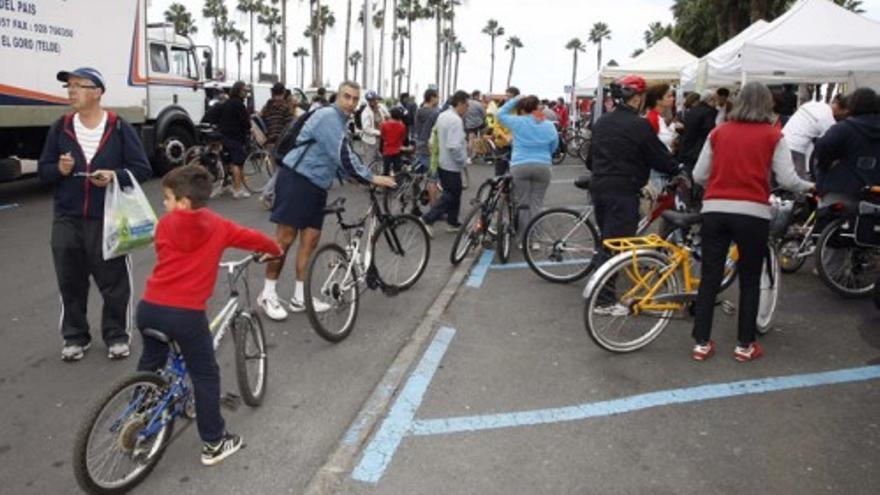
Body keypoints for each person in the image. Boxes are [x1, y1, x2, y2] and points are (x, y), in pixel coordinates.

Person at [137, 164, 282, 465]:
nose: (164, 205)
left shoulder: (163, 225)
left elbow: (166, 254)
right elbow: (254, 238)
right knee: (205, 374)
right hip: (185, 314)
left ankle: (140, 415)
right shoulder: (218, 225)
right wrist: (275, 249)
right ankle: (214, 443)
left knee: (151, 363)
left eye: (166, 199)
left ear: (183, 203)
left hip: (150, 307)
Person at [690, 82, 814, 363]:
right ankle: (744, 345)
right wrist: (809, 186)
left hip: (714, 210)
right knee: (749, 280)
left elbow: (698, 175)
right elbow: (787, 180)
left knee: (709, 276)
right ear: (767, 104)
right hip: (753, 214)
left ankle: (701, 343)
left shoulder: (718, 132)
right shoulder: (773, 136)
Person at [37, 67, 152, 362]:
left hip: (109, 218)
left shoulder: (119, 127)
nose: (71, 91)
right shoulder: (60, 127)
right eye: (69, 86)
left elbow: (142, 169)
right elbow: (44, 171)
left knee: (114, 282)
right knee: (70, 281)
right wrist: (59, 170)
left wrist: (114, 175)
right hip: (67, 217)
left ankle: (116, 336)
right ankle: (75, 336)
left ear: (98, 91)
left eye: (78, 85)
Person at [257, 81, 397, 321]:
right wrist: (370, 177)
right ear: (337, 97)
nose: (351, 103)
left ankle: (300, 296)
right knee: (285, 239)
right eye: (346, 97)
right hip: (297, 179)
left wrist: (351, 177)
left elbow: (332, 157)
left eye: (355, 99)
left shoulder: (341, 122)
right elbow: (343, 153)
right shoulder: (329, 117)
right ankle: (267, 293)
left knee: (309, 241)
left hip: (317, 185)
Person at [586, 75, 679, 287]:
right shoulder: (639, 125)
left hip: (599, 186)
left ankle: (599, 282)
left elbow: (591, 159)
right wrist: (678, 170)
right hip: (623, 189)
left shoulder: (602, 122)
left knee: (608, 240)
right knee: (617, 245)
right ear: (637, 99)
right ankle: (604, 298)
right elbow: (658, 157)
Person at [498, 94, 559, 244]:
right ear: (536, 107)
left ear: (522, 109)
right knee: (537, 203)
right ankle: (536, 239)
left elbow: (500, 114)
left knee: (523, 203)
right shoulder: (548, 124)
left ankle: (523, 239)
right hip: (543, 165)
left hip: (520, 165)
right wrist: (545, 155)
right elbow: (554, 145)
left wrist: (515, 99)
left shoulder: (518, 122)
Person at [813, 87, 880, 210]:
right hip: (875, 191)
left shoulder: (844, 128)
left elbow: (822, 148)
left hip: (842, 189)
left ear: (851, 105)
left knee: (827, 219)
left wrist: (824, 166)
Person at [421, 90, 470, 236]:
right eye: (466, 105)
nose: (467, 108)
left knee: (455, 192)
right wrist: (463, 161)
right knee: (450, 195)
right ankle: (427, 219)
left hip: (442, 161)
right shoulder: (455, 120)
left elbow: (433, 135)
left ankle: (453, 221)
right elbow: (454, 146)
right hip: (451, 164)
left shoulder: (443, 115)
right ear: (460, 103)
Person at [782, 95, 848, 179]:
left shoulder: (813, 104)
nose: (844, 116)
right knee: (799, 184)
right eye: (845, 113)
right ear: (839, 107)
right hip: (795, 149)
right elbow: (828, 145)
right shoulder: (828, 120)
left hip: (781, 140)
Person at [216, 81, 251, 198]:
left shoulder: (227, 103)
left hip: (223, 136)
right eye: (244, 91)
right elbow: (245, 122)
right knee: (237, 163)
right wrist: (249, 127)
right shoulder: (239, 105)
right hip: (235, 137)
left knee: (227, 162)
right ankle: (237, 190)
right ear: (239, 91)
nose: (246, 93)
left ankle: (225, 186)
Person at [414, 89, 442, 205]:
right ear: (432, 98)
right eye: (437, 97)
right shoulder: (433, 113)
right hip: (429, 147)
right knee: (433, 179)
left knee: (416, 176)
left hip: (419, 143)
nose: (438, 99)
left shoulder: (419, 110)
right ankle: (434, 207)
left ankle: (413, 201)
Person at [679, 90, 718, 171]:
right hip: (698, 149)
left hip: (687, 147)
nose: (716, 103)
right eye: (715, 100)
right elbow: (709, 130)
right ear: (710, 100)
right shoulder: (709, 112)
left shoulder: (693, 110)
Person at [644, 83, 678, 152]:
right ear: (658, 100)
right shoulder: (653, 118)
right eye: (669, 96)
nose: (673, 98)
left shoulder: (657, 116)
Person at [260, 82, 293, 151]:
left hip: (268, 142)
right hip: (281, 143)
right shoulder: (285, 107)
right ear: (284, 92)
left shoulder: (267, 106)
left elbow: (262, 119)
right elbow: (289, 126)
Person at [359, 90, 388, 163]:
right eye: (371, 100)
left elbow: (388, 115)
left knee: (379, 159)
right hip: (369, 140)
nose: (374, 102)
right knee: (369, 160)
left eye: (374, 99)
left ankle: (376, 173)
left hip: (380, 139)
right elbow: (366, 128)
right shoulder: (366, 112)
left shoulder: (381, 107)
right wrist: (379, 132)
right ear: (368, 101)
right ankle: (368, 174)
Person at [381, 107, 408, 176]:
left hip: (387, 150)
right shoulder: (402, 126)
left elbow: (383, 136)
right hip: (397, 150)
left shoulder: (384, 124)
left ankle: (386, 184)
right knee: (397, 170)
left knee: (386, 170)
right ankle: (397, 184)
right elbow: (403, 138)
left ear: (391, 115)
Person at [464, 90, 487, 157]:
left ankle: (469, 157)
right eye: (479, 96)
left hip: (468, 125)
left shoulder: (466, 103)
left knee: (470, 140)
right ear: (476, 96)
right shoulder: (478, 104)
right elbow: (484, 114)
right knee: (484, 131)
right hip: (478, 124)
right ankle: (480, 148)